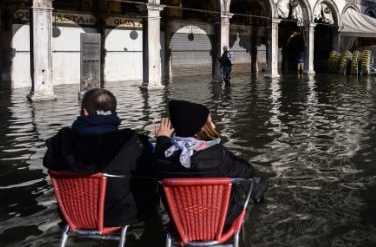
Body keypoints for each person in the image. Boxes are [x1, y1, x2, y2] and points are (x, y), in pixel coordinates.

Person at [43, 88, 158, 227]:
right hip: (120, 216)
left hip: (72, 215)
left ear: (84, 112)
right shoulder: (132, 141)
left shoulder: (60, 142)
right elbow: (152, 169)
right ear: (114, 112)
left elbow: (49, 162)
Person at [152, 100, 267, 230]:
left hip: (182, 225)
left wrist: (162, 139)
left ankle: (257, 191)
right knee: (235, 174)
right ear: (199, 130)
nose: (213, 125)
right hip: (221, 223)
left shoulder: (161, 155)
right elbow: (247, 171)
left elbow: (160, 154)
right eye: (210, 122)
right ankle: (257, 193)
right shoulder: (216, 154)